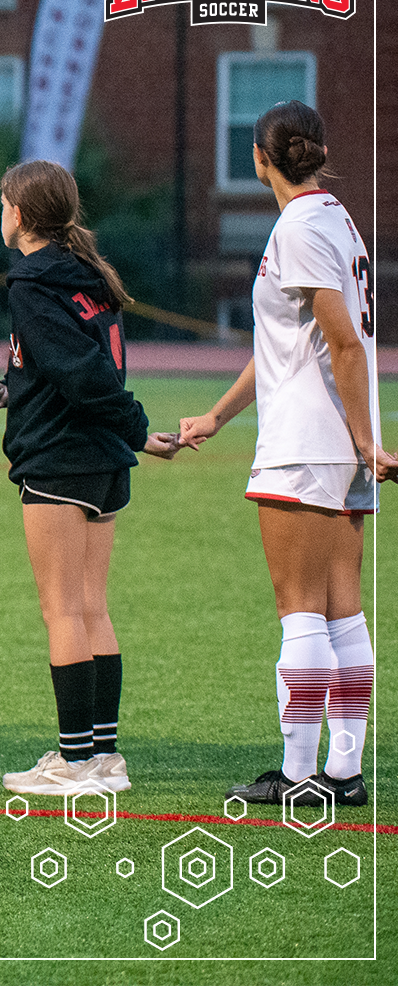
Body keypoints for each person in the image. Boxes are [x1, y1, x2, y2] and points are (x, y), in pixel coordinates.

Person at [180, 101, 391, 808]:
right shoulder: (336, 219)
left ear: (259, 158)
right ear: (319, 152)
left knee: (300, 612)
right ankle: (343, 772)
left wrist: (363, 439)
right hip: (340, 442)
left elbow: (342, 343)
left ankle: (299, 773)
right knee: (342, 613)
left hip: (308, 443)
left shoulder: (297, 227)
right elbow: (291, 346)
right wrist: (217, 415)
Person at [0, 160, 180, 796]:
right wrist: (12, 385)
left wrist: (137, 429)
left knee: (63, 609)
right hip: (101, 460)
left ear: (20, 213)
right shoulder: (85, 274)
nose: (1, 213)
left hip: (61, 458)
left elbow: (81, 373)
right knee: (91, 605)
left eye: (4, 204)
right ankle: (104, 758)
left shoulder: (33, 282)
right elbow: (62, 360)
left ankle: (73, 764)